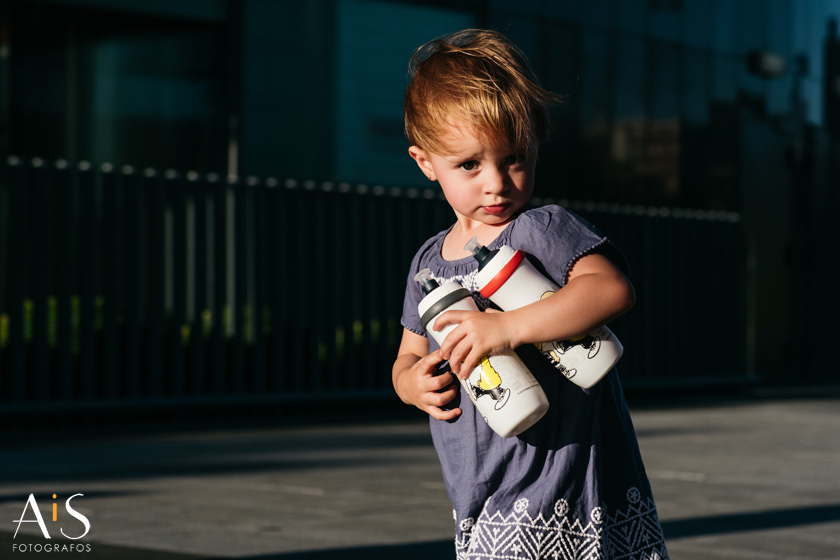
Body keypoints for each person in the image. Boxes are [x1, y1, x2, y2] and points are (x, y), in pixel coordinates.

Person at [393, 28, 669, 559]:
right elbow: (407, 353)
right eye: (469, 164)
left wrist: (507, 327)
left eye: (514, 158)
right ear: (427, 163)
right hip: (477, 479)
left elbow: (611, 289)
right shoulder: (428, 264)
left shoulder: (541, 230)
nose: (496, 182)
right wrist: (411, 385)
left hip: (556, 472)